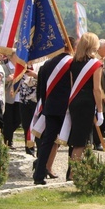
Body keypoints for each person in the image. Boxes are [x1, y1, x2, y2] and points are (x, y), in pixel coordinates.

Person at [33, 38, 75, 185]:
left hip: (50, 107)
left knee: (47, 142)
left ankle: (39, 175)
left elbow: (41, 91)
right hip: (68, 109)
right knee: (72, 142)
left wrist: (45, 106)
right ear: (71, 47)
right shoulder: (73, 64)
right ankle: (71, 174)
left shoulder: (46, 64)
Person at [66, 33, 103, 177]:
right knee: (81, 141)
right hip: (87, 103)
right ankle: (73, 174)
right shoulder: (95, 64)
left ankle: (80, 171)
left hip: (74, 101)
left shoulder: (73, 62)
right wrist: (100, 111)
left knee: (79, 138)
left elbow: (71, 84)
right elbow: (97, 89)